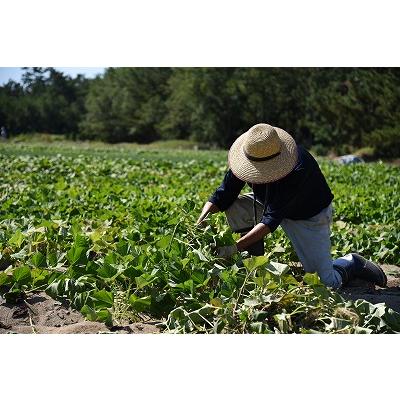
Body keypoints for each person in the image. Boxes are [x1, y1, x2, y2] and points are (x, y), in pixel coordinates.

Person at [196, 123, 387, 289]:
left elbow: (271, 219)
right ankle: (252, 267)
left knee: (326, 283)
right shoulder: (251, 155)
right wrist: (200, 222)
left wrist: (234, 247)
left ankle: (350, 263)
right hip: (270, 202)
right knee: (237, 206)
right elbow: (223, 194)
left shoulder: (297, 167)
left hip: (308, 215)